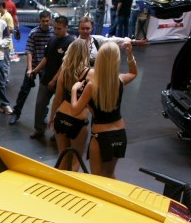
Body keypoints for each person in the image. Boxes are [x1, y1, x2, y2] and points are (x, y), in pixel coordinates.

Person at [70, 41, 137, 178]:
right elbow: (134, 73)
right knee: (110, 174)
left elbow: (75, 110)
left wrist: (74, 90)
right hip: (119, 134)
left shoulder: (92, 86)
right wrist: (130, 55)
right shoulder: (119, 81)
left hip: (101, 137)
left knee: (97, 178)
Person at [48, 39, 93, 171]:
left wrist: (51, 117)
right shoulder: (90, 73)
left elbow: (57, 98)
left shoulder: (64, 71)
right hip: (78, 120)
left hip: (61, 116)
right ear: (86, 53)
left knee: (62, 157)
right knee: (75, 161)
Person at [30, 16, 74, 139]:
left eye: (59, 29)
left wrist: (54, 80)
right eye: (55, 28)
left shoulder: (70, 43)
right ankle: (39, 129)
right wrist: (35, 70)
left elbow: (64, 65)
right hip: (46, 78)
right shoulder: (53, 39)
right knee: (40, 105)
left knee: (60, 108)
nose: (56, 31)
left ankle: (57, 132)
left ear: (66, 27)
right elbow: (46, 58)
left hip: (60, 81)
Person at [8, 10, 54, 125]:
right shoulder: (34, 33)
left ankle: (43, 114)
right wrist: (30, 69)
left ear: (50, 20)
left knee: (46, 95)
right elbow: (29, 51)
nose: (45, 23)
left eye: (47, 21)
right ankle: (16, 112)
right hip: (34, 65)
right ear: (40, 21)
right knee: (24, 90)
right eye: (43, 21)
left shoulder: (53, 33)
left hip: (47, 68)